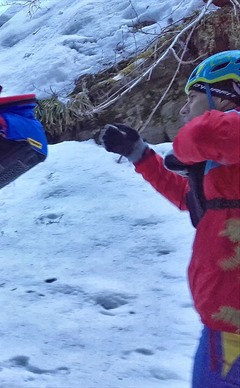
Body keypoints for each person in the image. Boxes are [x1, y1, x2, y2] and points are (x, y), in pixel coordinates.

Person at [101, 50, 240, 387]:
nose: (183, 109)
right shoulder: (228, 163)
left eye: (193, 97)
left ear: (223, 96)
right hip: (224, 318)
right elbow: (192, 199)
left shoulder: (227, 133)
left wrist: (185, 150)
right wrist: (140, 154)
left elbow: (201, 136)